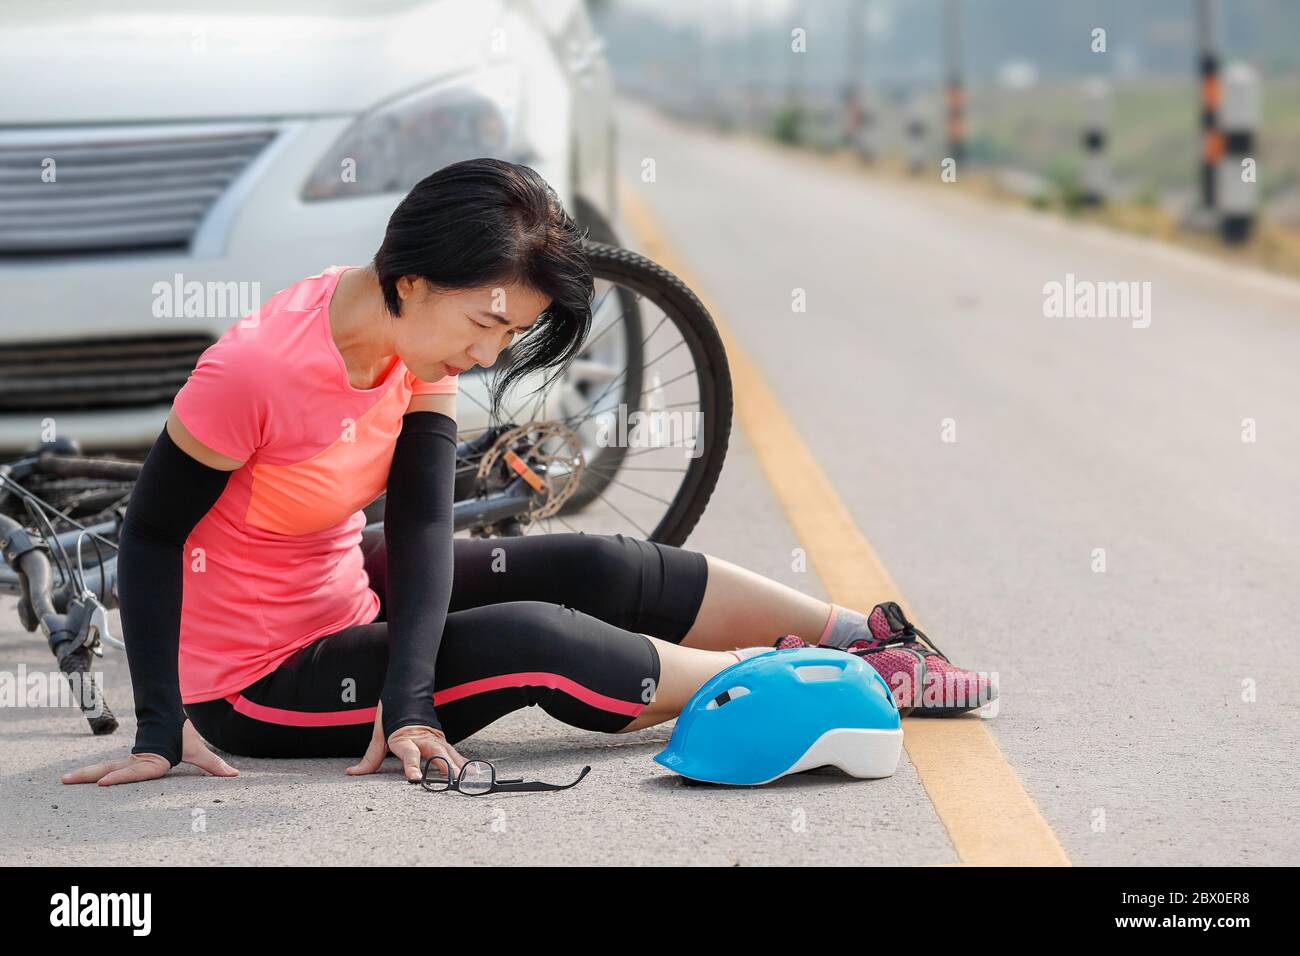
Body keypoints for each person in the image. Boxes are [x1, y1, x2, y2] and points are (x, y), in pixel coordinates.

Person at [62, 158, 994, 789]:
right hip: (253, 681)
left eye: (507, 335)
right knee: (537, 637)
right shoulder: (256, 371)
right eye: (487, 325)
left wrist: (412, 686)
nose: (490, 352)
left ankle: (867, 634)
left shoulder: (415, 345)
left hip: (341, 583)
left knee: (589, 564)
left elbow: (425, 527)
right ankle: (809, 679)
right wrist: (158, 724)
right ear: (413, 278)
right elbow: (150, 533)